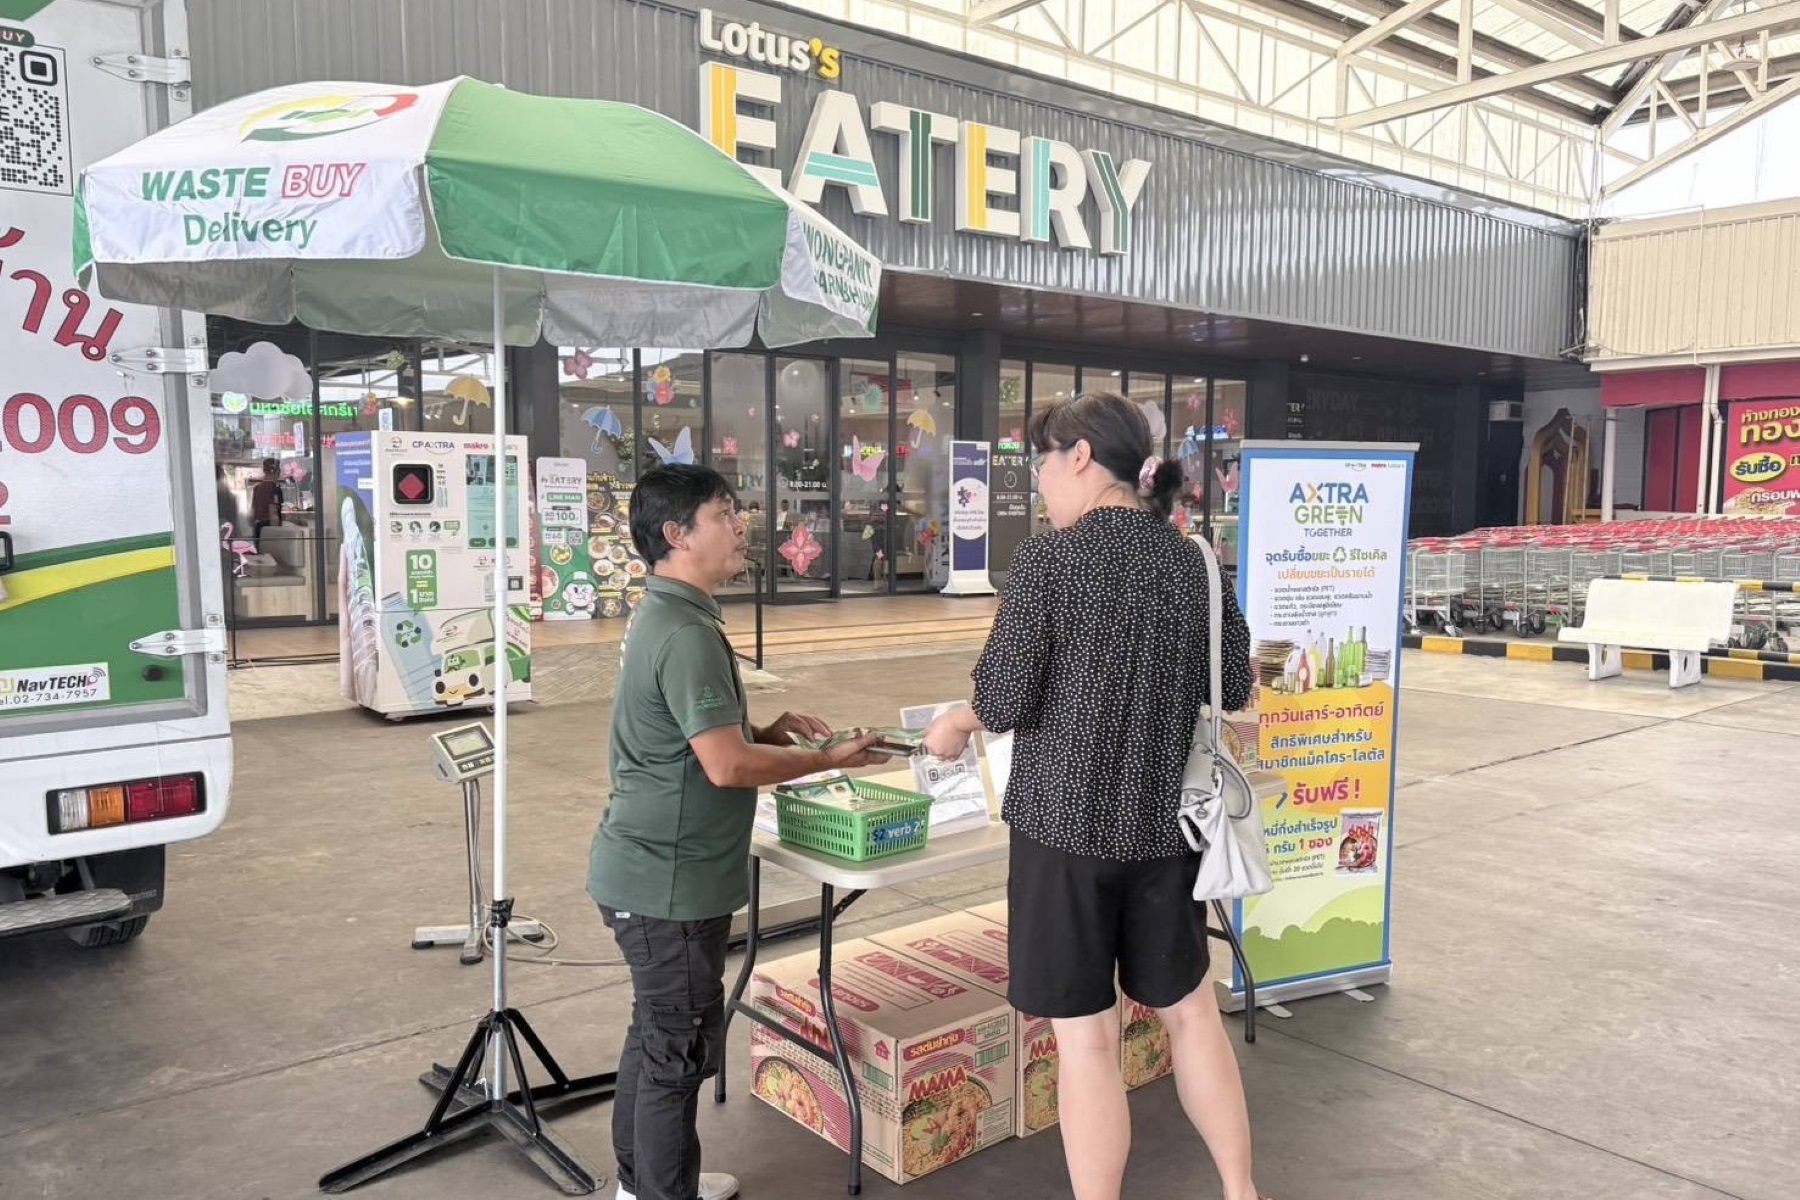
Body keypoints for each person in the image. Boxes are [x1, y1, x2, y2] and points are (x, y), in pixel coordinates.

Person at [923, 393, 1267, 1200]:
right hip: (1164, 830)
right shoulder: (1194, 563)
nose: (1041, 482)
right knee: (1191, 1017)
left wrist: (953, 722)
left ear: (1081, 457)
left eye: (1044, 463)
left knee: (1087, 1041)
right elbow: (1234, 683)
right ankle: (1243, 1191)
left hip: (1063, 834)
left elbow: (1004, 699)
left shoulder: (1052, 561)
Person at [587, 463, 880, 1200]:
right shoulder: (683, 631)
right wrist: (816, 758)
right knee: (675, 1054)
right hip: (670, 882)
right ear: (679, 534)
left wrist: (768, 730)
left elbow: (705, 732)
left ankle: (639, 1185)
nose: (742, 523)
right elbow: (723, 765)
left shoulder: (670, 613)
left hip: (652, 871)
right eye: (725, 513)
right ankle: (660, 1192)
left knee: (656, 1038)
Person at [249, 457, 283, 545]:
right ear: (276, 471)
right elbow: (273, 512)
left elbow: (252, 512)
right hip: (269, 529)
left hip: (258, 528)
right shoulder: (275, 489)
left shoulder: (257, 488)